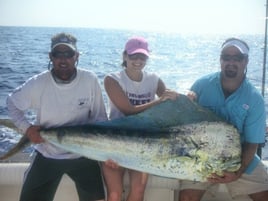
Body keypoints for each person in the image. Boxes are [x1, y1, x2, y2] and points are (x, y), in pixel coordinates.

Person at [6, 32, 107, 201]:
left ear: (76, 56)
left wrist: (107, 153)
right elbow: (12, 102)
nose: (63, 59)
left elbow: (100, 120)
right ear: (50, 57)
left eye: (68, 54)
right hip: (48, 153)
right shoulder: (38, 83)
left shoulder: (90, 79)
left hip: (83, 155)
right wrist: (27, 128)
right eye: (57, 54)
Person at [180, 38, 268, 201]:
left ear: (246, 61)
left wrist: (237, 172)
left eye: (238, 58)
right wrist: (184, 105)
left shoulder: (255, 99)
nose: (231, 62)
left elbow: (252, 143)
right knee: (187, 197)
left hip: (241, 158)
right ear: (221, 60)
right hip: (202, 157)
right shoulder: (201, 85)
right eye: (226, 57)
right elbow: (183, 126)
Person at [101, 36, 179, 201]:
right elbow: (127, 111)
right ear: (124, 56)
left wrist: (188, 97)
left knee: (137, 192)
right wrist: (159, 102)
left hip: (142, 143)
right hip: (114, 141)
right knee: (114, 195)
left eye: (142, 56)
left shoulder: (154, 79)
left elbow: (170, 101)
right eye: (133, 56)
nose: (138, 60)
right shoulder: (112, 79)